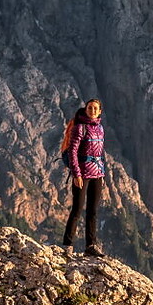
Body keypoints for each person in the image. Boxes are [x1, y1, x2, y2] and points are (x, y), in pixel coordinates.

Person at [61, 98, 108, 257]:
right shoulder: (79, 128)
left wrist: (103, 173)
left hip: (97, 173)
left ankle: (91, 245)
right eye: (90, 108)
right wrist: (76, 174)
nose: (92, 110)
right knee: (77, 209)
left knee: (93, 211)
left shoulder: (100, 128)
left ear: (100, 111)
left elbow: (100, 152)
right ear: (86, 109)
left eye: (95, 108)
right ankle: (67, 245)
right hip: (82, 173)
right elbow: (72, 152)